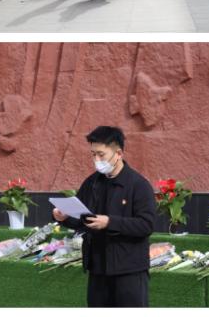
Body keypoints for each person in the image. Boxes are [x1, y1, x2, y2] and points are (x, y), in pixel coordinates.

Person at [52, 126, 156, 307]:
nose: (96, 160)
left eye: (101, 155)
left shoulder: (138, 185)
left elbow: (146, 225)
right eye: (93, 154)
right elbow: (84, 219)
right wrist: (64, 218)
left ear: (119, 153)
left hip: (129, 270)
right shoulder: (92, 183)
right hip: (98, 268)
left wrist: (110, 222)